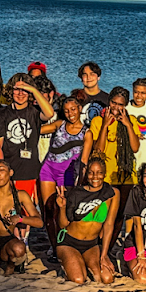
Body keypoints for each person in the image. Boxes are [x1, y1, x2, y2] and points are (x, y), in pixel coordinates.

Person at [51, 156, 119, 285]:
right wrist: (62, 208)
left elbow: (109, 225)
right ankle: (70, 264)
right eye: (91, 172)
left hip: (91, 245)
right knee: (78, 279)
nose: (95, 176)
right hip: (69, 243)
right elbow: (63, 225)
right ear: (86, 174)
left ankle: (81, 262)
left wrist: (104, 255)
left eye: (99, 173)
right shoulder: (77, 193)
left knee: (106, 278)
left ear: (104, 174)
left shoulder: (112, 194)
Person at [0, 73, 54, 202]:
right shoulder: (1, 114)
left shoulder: (35, 112)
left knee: (29, 215)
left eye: (24, 90)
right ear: (10, 90)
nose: (20, 94)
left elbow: (50, 113)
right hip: (10, 172)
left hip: (31, 172)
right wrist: (2, 174)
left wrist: (33, 89)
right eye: (17, 89)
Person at [0, 159, 41, 274]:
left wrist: (21, 219)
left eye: (1, 170)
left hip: (7, 241)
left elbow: (39, 222)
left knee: (19, 249)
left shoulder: (20, 195)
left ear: (11, 173)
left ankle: (10, 266)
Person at [38, 94, 89, 226]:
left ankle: (63, 242)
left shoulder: (86, 133)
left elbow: (84, 161)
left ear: (79, 109)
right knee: (48, 209)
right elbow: (36, 130)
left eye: (73, 109)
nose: (70, 113)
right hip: (48, 170)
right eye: (66, 110)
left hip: (67, 175)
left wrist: (80, 183)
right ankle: (53, 245)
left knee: (64, 210)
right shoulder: (59, 124)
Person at [83, 87, 140, 196]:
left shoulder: (131, 120)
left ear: (125, 105)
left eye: (120, 104)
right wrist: (105, 125)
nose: (116, 107)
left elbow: (135, 148)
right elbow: (99, 150)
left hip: (126, 174)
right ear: (109, 101)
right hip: (106, 174)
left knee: (123, 210)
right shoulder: (98, 121)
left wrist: (128, 125)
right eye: (113, 103)